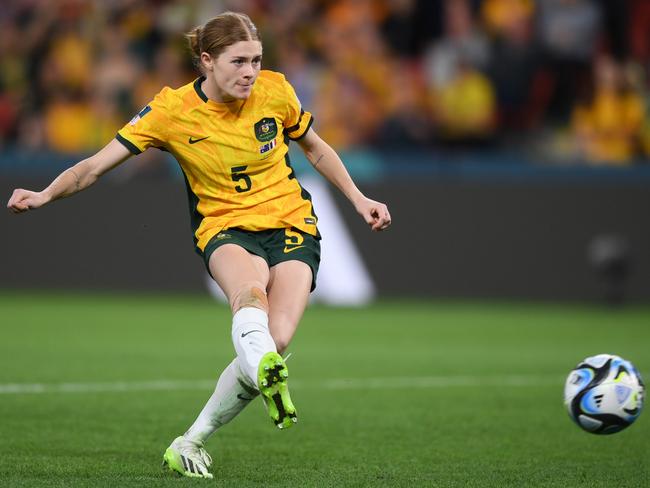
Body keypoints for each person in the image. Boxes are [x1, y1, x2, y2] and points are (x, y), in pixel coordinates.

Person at [6, 11, 391, 480]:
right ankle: (261, 366)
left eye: (256, 59)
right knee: (249, 292)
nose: (250, 71)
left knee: (278, 339)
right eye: (238, 61)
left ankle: (191, 441)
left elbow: (316, 148)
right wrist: (46, 193)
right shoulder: (170, 111)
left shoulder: (275, 91)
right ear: (207, 61)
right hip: (225, 227)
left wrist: (358, 197)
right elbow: (93, 166)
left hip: (292, 223)